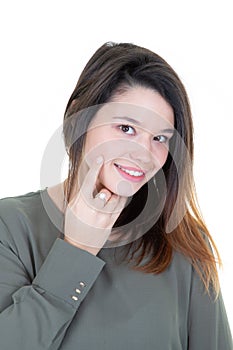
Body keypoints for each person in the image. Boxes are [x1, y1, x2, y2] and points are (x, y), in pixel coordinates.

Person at [0, 42, 232, 350]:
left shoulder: (185, 244)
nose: (144, 154)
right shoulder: (11, 226)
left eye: (160, 138)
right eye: (126, 128)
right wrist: (77, 250)